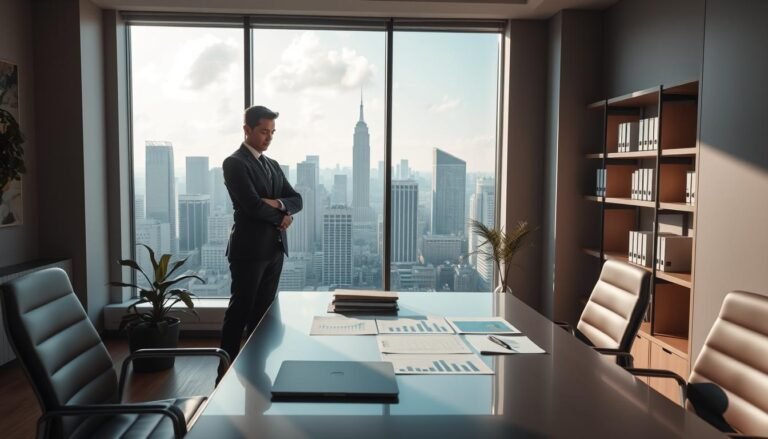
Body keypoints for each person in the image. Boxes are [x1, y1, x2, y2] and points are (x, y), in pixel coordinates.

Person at [219, 105, 302, 376]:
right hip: (249, 250)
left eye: (272, 132)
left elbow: (296, 199)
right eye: (264, 131)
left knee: (263, 314)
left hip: (274, 249)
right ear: (247, 130)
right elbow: (251, 206)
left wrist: (277, 202)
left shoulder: (272, 165)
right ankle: (225, 370)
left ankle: (255, 368)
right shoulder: (235, 163)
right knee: (240, 312)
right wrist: (281, 216)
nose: (268, 138)